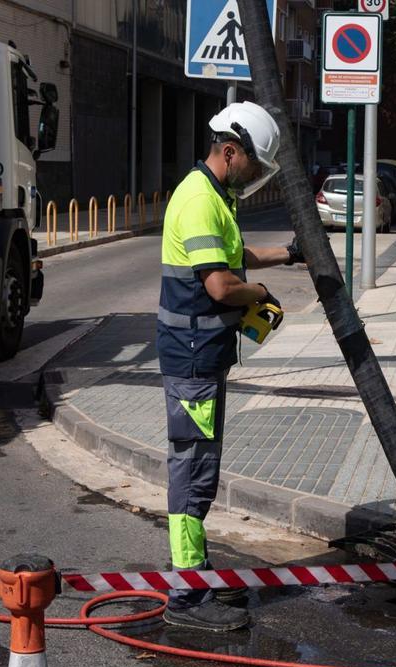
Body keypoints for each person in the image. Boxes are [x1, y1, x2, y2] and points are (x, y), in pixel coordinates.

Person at [157, 101, 304, 631]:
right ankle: (186, 596)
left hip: (204, 357)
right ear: (230, 151)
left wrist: (291, 253)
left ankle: (193, 574)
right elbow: (221, 284)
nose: (255, 178)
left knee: (201, 468)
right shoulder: (198, 201)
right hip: (191, 360)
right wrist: (261, 294)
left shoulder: (216, 197)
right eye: (254, 166)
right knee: (193, 472)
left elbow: (234, 257)